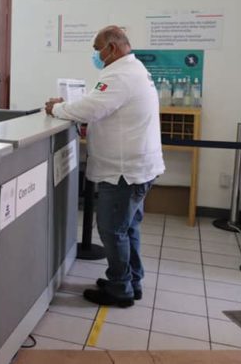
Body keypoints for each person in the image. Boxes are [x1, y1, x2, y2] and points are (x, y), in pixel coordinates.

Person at [45, 25, 164, 308]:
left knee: (112, 230)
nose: (95, 55)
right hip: (137, 167)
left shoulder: (120, 74)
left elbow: (92, 108)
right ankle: (131, 281)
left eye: (97, 49)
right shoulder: (133, 70)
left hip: (124, 172)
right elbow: (103, 106)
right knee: (128, 228)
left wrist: (57, 109)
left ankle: (120, 288)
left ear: (111, 48)